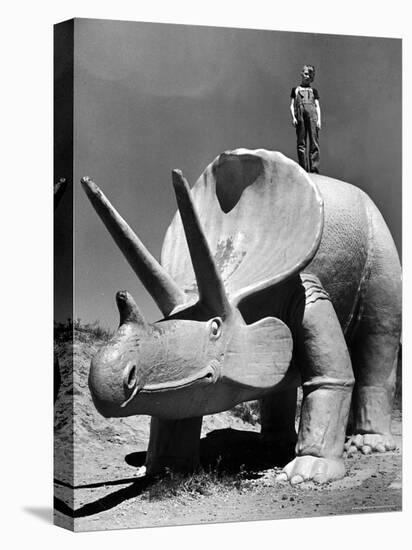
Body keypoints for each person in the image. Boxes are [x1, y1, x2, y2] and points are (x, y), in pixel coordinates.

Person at [290, 65, 321, 173]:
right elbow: (292, 105)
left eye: (310, 75)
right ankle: (303, 169)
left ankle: (314, 169)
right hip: (300, 116)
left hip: (312, 117)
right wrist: (293, 117)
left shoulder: (313, 91)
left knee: (314, 143)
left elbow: (317, 106)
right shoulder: (296, 89)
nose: (307, 76)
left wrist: (319, 120)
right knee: (301, 143)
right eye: (306, 73)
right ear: (302, 74)